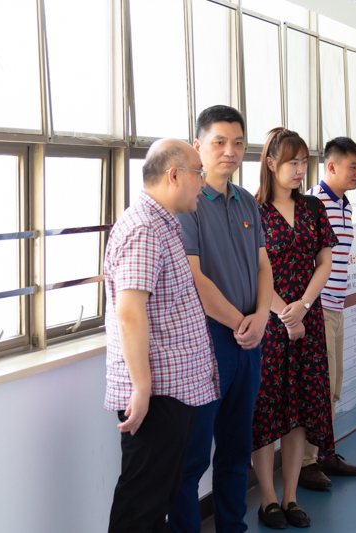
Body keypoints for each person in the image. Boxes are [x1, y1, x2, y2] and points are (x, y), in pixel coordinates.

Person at [104, 139, 220, 533]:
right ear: (174, 175)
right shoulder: (143, 229)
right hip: (156, 394)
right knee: (141, 506)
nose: (203, 183)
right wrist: (141, 388)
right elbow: (129, 312)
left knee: (158, 500)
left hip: (174, 390)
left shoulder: (163, 224)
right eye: (198, 173)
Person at [168, 105, 274, 533]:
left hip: (250, 341)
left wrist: (262, 316)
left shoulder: (247, 200)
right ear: (198, 146)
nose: (230, 151)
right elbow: (194, 278)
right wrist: (240, 322)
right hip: (207, 342)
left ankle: (233, 527)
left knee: (236, 450)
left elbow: (264, 265)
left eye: (238, 143)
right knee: (191, 459)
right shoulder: (186, 204)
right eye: (219, 142)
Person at [251, 127, 339, 530]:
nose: (301, 169)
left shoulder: (313, 208)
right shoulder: (253, 211)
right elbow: (254, 270)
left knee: (301, 409)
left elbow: (325, 261)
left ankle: (290, 496)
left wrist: (302, 307)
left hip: (308, 317)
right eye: (292, 162)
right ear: (271, 163)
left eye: (304, 161)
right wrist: (284, 313)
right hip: (268, 322)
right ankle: (268, 499)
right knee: (267, 410)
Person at [298, 137, 356, 490]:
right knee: (319, 389)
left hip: (338, 307)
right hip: (317, 308)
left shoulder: (345, 205)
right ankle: (307, 463)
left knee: (334, 388)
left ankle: (324, 453)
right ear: (331, 166)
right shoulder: (313, 204)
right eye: (353, 166)